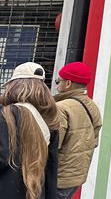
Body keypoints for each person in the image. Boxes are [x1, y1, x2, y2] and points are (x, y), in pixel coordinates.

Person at [0, 62, 60, 199]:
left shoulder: (6, 114)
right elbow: (51, 167)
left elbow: (2, 157)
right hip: (35, 192)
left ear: (14, 85)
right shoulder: (50, 120)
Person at [53, 62, 102, 199]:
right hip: (77, 177)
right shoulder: (93, 107)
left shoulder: (61, 108)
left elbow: (52, 145)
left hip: (58, 177)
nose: (57, 86)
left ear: (68, 83)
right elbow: (94, 141)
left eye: (59, 81)